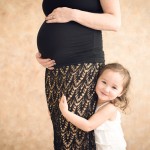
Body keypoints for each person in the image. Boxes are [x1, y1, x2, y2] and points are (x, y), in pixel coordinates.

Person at [36, 0, 121, 149]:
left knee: (75, 137)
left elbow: (115, 22)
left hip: (82, 64)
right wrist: (43, 53)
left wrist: (72, 14)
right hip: (54, 69)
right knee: (61, 133)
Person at [59, 63, 131, 150]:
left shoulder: (111, 108)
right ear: (97, 79)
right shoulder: (93, 101)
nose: (106, 89)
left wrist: (65, 112)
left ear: (121, 92)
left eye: (114, 87)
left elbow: (88, 126)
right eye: (104, 82)